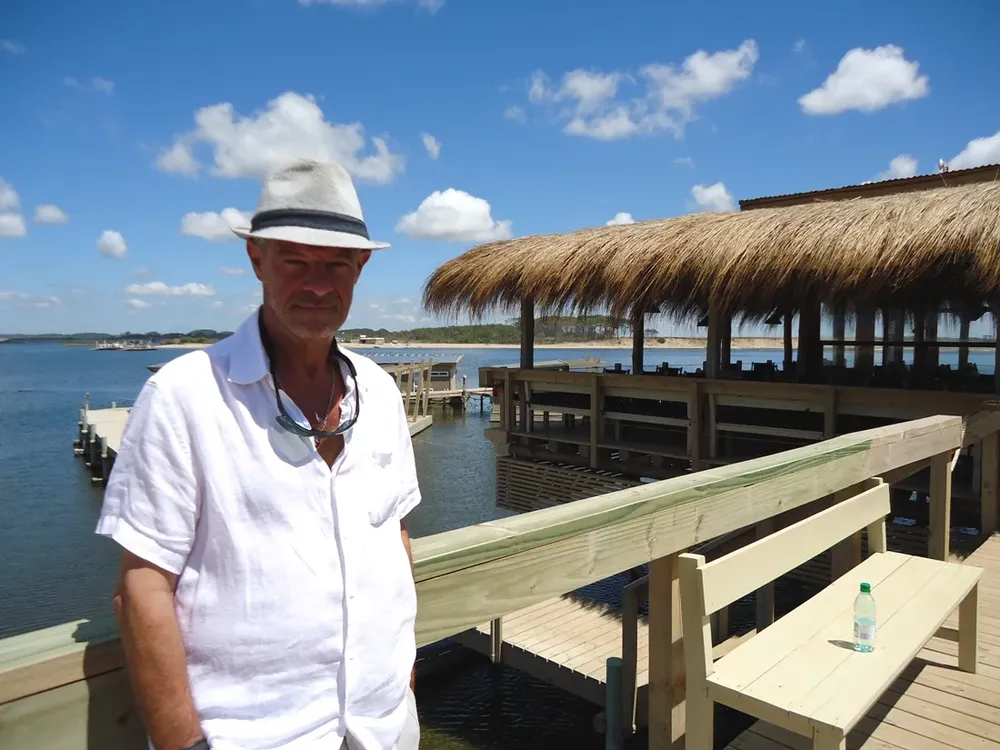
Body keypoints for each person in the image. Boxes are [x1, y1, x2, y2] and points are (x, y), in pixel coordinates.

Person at [96, 158, 422, 750]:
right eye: (295, 261)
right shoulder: (182, 396)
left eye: (336, 264)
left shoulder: (381, 390)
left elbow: (394, 533)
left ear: (361, 267)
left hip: (384, 725)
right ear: (257, 260)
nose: (318, 284)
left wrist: (405, 674)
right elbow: (142, 587)